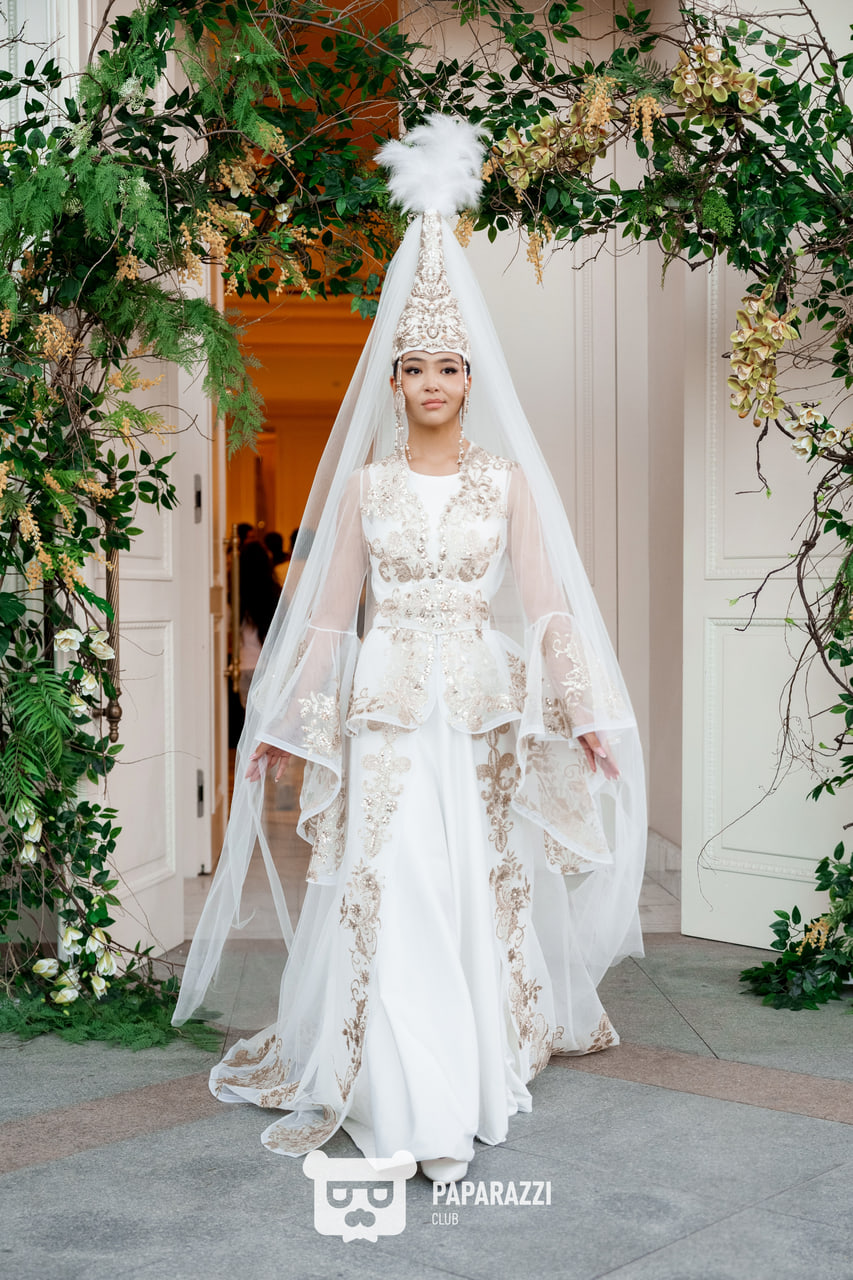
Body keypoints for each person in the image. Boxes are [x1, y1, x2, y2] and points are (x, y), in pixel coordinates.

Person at [173, 116, 646, 1185]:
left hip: (474, 715)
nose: (432, 382)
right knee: (393, 881)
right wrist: (277, 726)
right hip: (386, 714)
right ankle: (405, 1094)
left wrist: (584, 712)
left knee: (463, 883)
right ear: (392, 379)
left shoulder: (507, 486)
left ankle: (461, 1083)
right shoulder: (364, 489)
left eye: (448, 367)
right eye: (415, 367)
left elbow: (547, 610)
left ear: (470, 378)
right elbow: (327, 620)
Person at [237, 540, 281, 708]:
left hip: (244, 665)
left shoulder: (236, 596)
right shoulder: (275, 596)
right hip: (269, 668)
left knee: (247, 718)